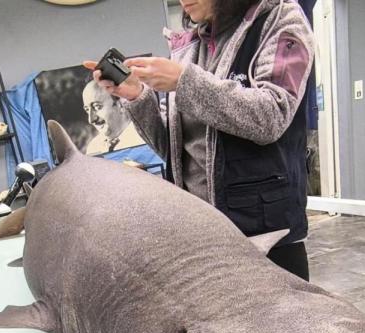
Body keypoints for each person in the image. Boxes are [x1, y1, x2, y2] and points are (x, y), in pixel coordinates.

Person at [85, 0, 315, 280]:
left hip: (266, 238)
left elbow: (272, 116)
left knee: (281, 323)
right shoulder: (191, 46)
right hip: (200, 239)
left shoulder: (281, 21)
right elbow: (174, 149)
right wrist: (136, 96)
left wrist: (184, 82)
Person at [81, 80, 146, 155]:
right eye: (87, 110)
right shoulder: (94, 147)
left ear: (121, 104)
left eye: (97, 107)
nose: (91, 119)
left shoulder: (146, 139)